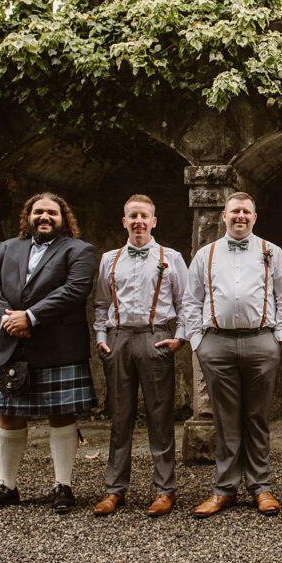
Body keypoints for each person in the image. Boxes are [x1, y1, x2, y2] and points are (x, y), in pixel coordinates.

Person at [0, 192, 97, 515]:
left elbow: (74, 290)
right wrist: (7, 319)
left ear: (63, 217)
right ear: (28, 216)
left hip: (57, 345)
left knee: (61, 414)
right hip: (8, 342)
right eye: (38, 211)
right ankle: (7, 485)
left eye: (51, 213)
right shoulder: (6, 248)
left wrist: (30, 316)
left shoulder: (79, 250)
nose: (44, 217)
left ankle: (63, 486)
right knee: (9, 416)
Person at [186, 192, 282, 518]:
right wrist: (197, 342)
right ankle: (224, 489)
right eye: (235, 211)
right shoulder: (206, 254)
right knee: (225, 419)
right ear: (224, 216)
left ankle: (261, 487)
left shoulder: (271, 252)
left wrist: (280, 337)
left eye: (246, 212)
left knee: (257, 418)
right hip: (216, 344)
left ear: (254, 217)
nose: (240, 217)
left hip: (260, 342)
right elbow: (191, 300)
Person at [91, 194, 192, 518]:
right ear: (124, 221)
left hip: (155, 337)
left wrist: (179, 338)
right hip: (119, 339)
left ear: (153, 221)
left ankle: (165, 490)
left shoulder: (171, 257)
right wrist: (102, 338)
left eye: (144, 216)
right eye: (132, 215)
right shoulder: (109, 259)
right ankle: (114, 490)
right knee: (120, 418)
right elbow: (101, 304)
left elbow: (186, 303)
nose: (138, 221)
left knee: (160, 417)